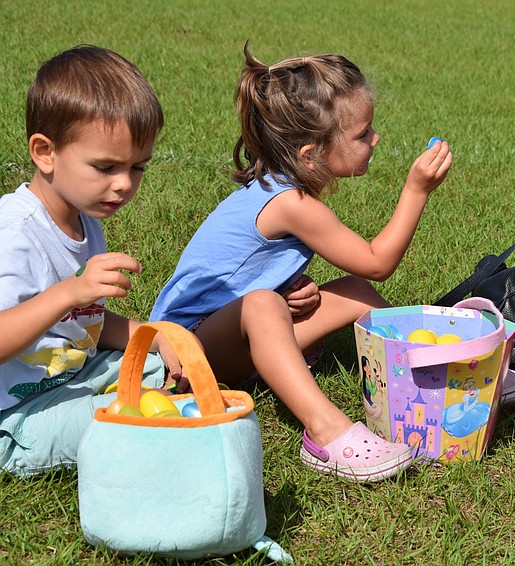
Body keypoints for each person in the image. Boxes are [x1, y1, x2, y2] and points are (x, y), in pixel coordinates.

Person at [150, 43, 453, 483]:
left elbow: (246, 269)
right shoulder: (292, 203)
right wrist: (417, 190)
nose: (376, 139)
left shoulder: (281, 186)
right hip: (184, 355)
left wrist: (290, 286)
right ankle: (326, 433)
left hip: (222, 338)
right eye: (363, 133)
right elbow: (377, 261)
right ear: (310, 154)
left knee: (355, 293)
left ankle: (426, 377)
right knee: (261, 305)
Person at [0, 45, 182, 477]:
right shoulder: (15, 234)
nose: (124, 184)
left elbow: (86, 323)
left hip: (71, 376)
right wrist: (69, 291)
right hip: (17, 415)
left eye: (138, 167)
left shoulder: (84, 218)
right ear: (45, 152)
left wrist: (152, 335)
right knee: (135, 414)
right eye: (105, 166)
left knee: (165, 368)